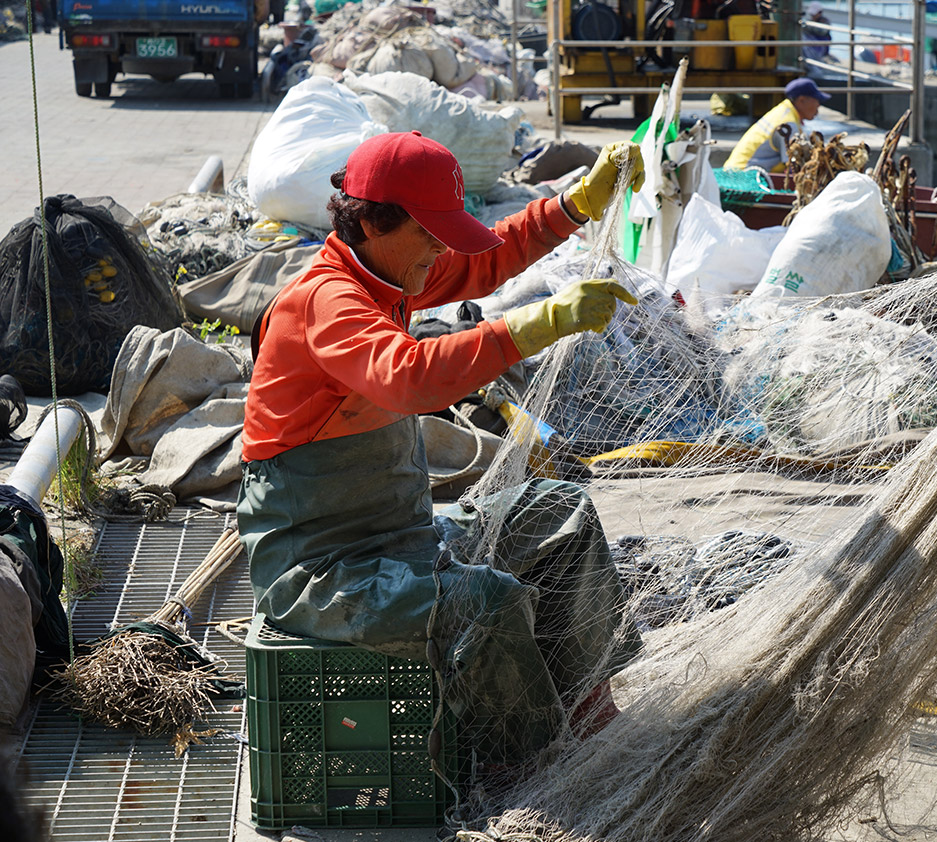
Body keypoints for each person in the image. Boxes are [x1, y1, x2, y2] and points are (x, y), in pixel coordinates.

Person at [237, 131, 647, 768]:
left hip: (401, 538)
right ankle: (542, 774)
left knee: (560, 512)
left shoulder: (388, 272)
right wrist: (537, 323)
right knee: (485, 603)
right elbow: (408, 376)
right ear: (372, 221)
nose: (440, 250)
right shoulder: (327, 301)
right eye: (429, 234)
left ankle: (591, 713)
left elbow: (487, 259)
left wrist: (574, 205)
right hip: (323, 573)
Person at [723, 77, 831, 173]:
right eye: (817, 100)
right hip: (745, 176)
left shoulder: (783, 111)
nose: (818, 106)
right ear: (801, 100)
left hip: (734, 170)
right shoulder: (788, 124)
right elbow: (793, 167)